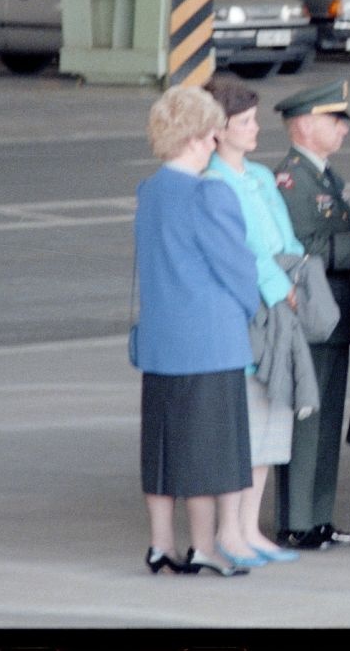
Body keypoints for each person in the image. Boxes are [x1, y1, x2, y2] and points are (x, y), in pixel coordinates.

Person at [130, 85, 260, 578]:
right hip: (210, 341)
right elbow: (238, 268)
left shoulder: (150, 191)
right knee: (208, 451)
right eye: (210, 131)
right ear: (195, 136)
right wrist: (247, 308)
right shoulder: (210, 193)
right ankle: (204, 546)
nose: (214, 140)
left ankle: (161, 543)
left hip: (161, 340)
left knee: (162, 447)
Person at [203, 72, 318, 569]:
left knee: (272, 422)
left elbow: (285, 239)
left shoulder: (261, 178)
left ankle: (250, 527)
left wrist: (294, 276)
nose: (254, 129)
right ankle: (229, 531)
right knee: (246, 425)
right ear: (218, 129)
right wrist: (280, 288)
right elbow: (239, 253)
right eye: (244, 122)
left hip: (281, 304)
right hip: (248, 311)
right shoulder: (212, 181)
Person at [270, 79, 350, 552]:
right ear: (306, 125)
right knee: (306, 420)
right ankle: (296, 520)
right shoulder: (292, 180)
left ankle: (320, 516)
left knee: (327, 420)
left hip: (332, 318)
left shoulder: (325, 177)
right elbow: (297, 252)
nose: (344, 129)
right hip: (309, 317)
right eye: (336, 119)